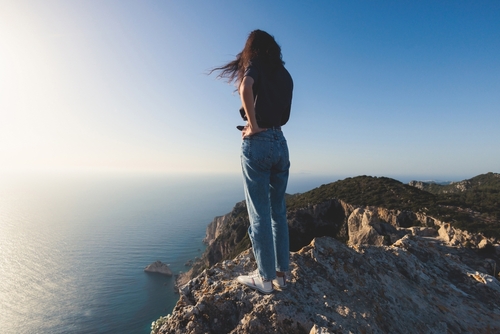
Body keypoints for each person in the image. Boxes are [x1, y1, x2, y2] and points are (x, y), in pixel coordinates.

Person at [211, 30, 293, 294]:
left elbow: (245, 87)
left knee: (259, 214)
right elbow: (284, 116)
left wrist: (254, 125)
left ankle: (265, 280)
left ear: (252, 49)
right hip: (281, 142)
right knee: (278, 213)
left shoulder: (255, 64)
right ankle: (282, 275)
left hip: (258, 143)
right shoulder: (285, 75)